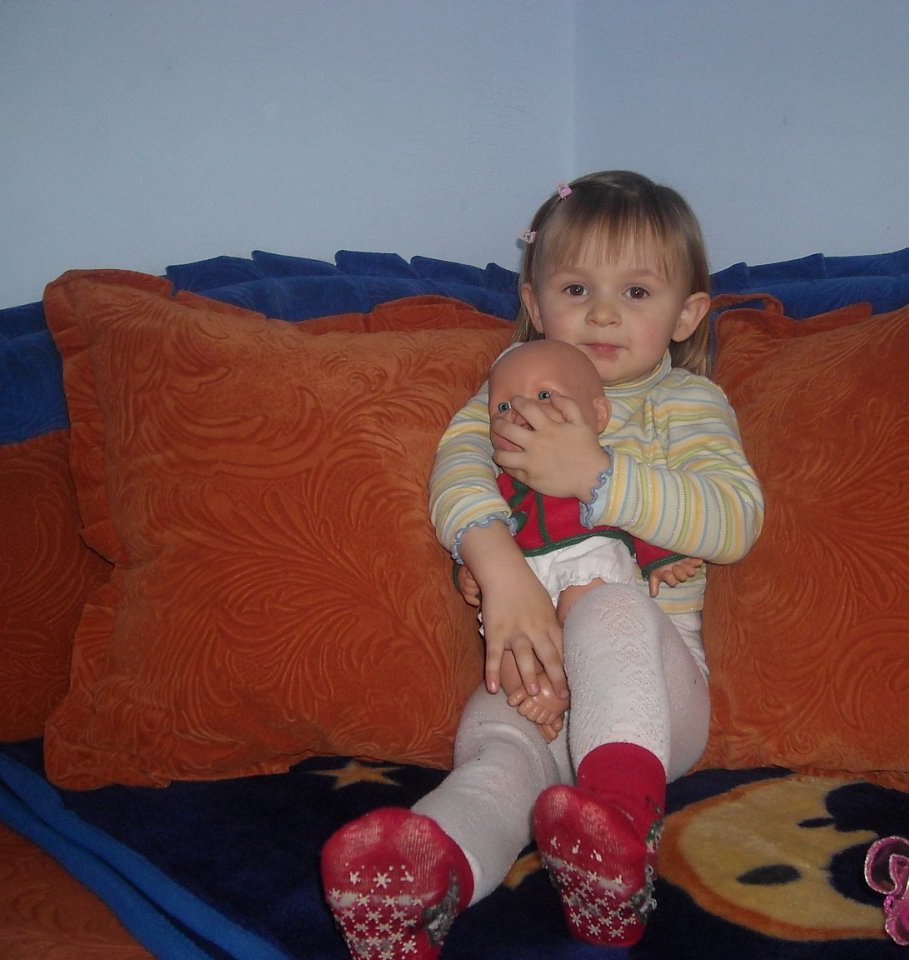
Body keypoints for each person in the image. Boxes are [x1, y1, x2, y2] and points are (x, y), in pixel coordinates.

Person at [321, 170, 764, 959]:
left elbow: (734, 519)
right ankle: (416, 882)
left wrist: (596, 475)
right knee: (496, 754)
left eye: (635, 291)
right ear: (534, 302)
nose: (602, 313)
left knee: (609, 607)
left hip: (656, 707)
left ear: (687, 313)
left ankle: (622, 828)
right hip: (531, 678)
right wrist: (500, 570)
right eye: (575, 288)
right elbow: (457, 476)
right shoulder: (511, 389)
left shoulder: (686, 403)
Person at [470, 338, 705, 740]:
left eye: (544, 395)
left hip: (586, 560)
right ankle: (534, 692)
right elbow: (482, 525)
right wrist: (472, 574)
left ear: (597, 414)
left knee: (588, 608)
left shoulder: (609, 470)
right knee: (507, 646)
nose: (520, 411)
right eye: (503, 407)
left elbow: (635, 516)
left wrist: (661, 557)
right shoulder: (498, 486)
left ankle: (568, 685)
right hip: (525, 577)